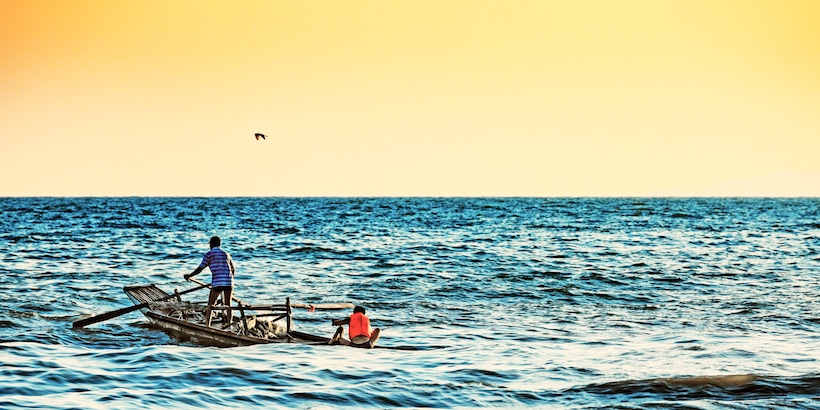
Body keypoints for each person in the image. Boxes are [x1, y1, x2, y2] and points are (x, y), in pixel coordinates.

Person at [184, 236, 236, 327]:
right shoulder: (226, 254)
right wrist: (228, 279)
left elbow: (200, 268)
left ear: (211, 244)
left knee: (210, 305)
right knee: (228, 304)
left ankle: (207, 325)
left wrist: (189, 276)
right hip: (229, 281)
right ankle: (229, 324)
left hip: (217, 282)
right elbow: (233, 269)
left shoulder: (209, 254)